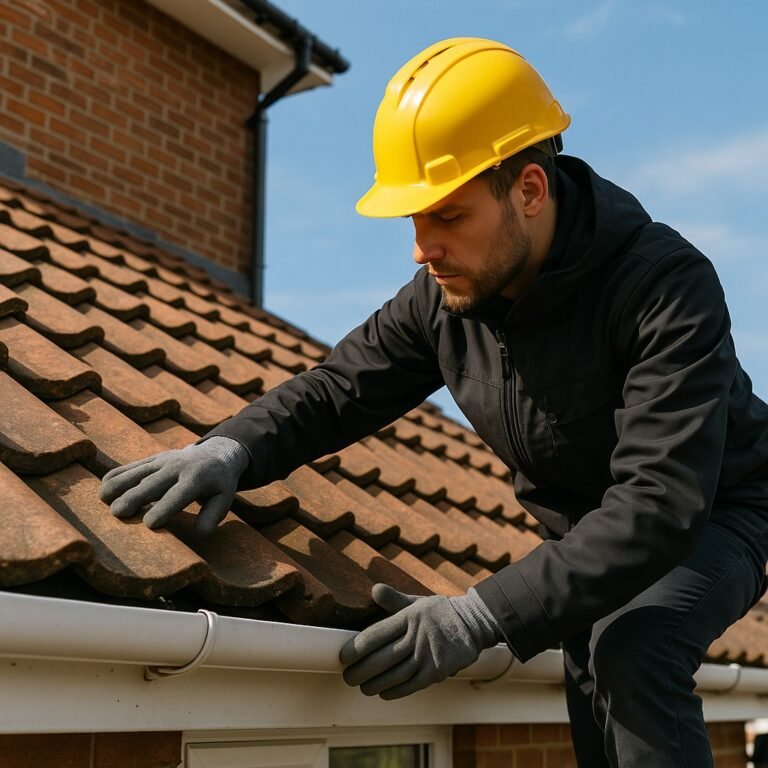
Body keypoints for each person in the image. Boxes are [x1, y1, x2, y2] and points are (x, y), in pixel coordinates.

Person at [100, 38, 768, 767]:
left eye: (447, 216)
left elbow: (659, 503)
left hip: (718, 511)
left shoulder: (664, 287)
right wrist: (232, 447)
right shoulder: (443, 300)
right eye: (412, 220)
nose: (422, 249)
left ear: (531, 191)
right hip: (584, 534)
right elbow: (338, 389)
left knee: (633, 646)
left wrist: (481, 615)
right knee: (591, 663)